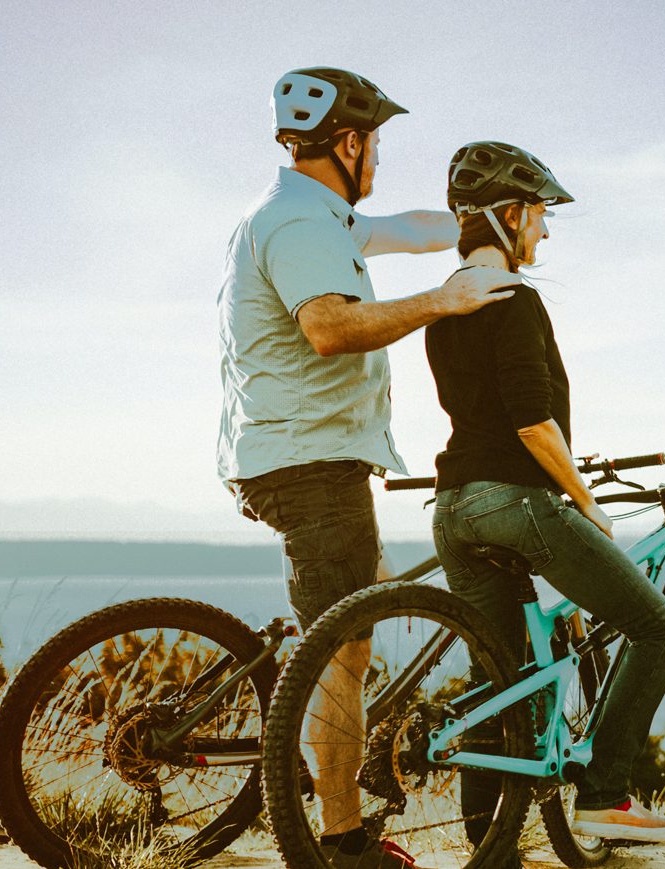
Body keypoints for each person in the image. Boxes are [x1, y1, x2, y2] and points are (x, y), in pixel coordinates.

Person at [217, 66, 518, 869]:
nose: (379, 154)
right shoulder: (301, 225)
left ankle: (344, 765)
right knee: (345, 645)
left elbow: (409, 227)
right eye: (375, 140)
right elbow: (328, 327)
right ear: (348, 141)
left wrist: (478, 226)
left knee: (357, 622)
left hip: (303, 453)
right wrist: (445, 300)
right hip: (311, 461)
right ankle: (343, 842)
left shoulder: (319, 214)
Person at [425, 141, 665, 851]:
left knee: (499, 686)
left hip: (453, 509)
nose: (544, 231)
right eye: (539, 215)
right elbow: (531, 420)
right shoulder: (514, 298)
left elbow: (482, 414)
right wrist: (587, 500)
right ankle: (605, 795)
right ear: (509, 215)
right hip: (515, 504)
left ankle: (491, 851)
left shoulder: (446, 304)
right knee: (660, 627)